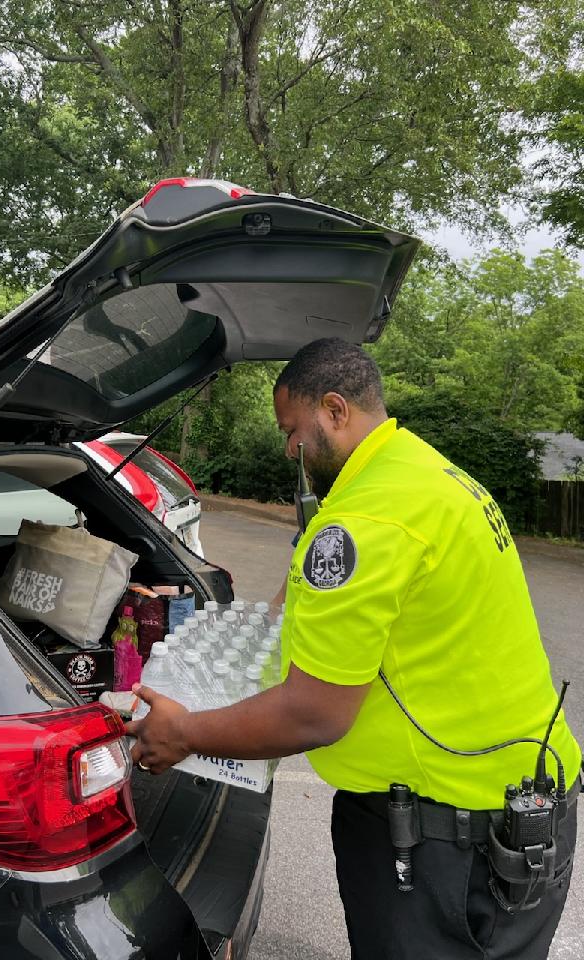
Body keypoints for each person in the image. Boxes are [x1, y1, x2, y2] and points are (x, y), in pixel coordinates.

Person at [126, 338, 581, 959]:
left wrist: (183, 734)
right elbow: (322, 599)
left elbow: (315, 712)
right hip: (521, 803)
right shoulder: (423, 473)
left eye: (293, 431)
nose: (290, 449)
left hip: (447, 837)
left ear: (335, 410)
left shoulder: (367, 519)